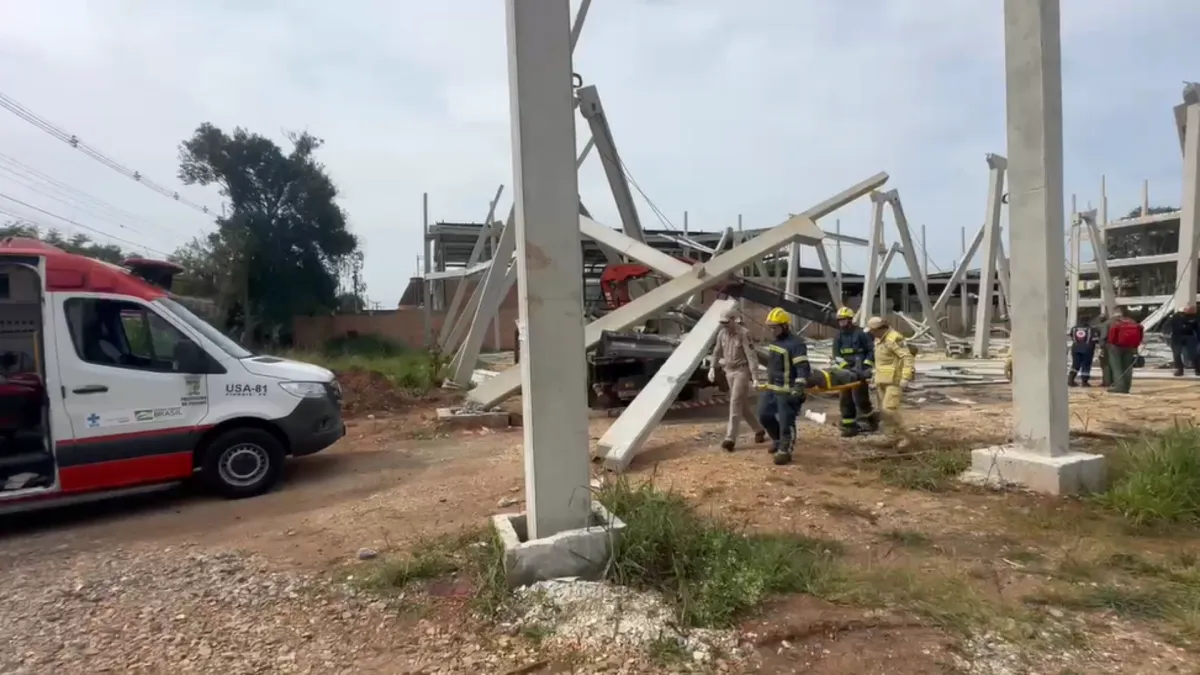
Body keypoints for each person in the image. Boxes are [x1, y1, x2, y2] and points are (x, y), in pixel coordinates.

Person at [757, 307, 810, 466]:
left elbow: (802, 367)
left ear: (785, 326)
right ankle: (778, 440)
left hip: (787, 390)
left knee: (787, 421)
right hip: (772, 388)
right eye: (771, 327)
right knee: (764, 415)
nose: (772, 330)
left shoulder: (796, 344)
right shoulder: (775, 342)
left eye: (775, 327)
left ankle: (785, 450)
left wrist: (799, 386)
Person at [708, 307, 767, 451]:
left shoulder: (744, 334)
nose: (724, 325)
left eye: (726, 322)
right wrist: (712, 367)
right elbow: (717, 350)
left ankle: (730, 438)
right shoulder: (722, 333)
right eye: (722, 323)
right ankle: (758, 429)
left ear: (734, 320)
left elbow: (751, 356)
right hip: (729, 371)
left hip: (742, 371)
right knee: (742, 405)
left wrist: (755, 377)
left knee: (735, 402)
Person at [831, 307, 878, 437]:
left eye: (843, 320)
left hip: (860, 370)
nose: (841, 323)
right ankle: (849, 425)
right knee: (845, 399)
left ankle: (870, 421)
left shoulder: (861, 334)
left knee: (860, 398)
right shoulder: (838, 336)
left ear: (850, 320)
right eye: (839, 320)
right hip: (846, 372)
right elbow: (836, 355)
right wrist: (845, 368)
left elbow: (871, 350)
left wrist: (866, 366)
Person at [865, 316, 914, 430]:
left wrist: (905, 377)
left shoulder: (893, 339)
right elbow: (881, 362)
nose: (872, 334)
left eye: (872, 331)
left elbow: (907, 358)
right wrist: (874, 377)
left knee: (889, 410)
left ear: (878, 329)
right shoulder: (879, 340)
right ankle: (891, 437)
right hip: (881, 381)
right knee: (884, 412)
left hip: (894, 381)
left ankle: (905, 435)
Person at [1105, 310, 1143, 394]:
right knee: (1128, 367)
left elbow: (1111, 337)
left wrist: (1110, 344)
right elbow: (1140, 333)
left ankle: (1119, 386)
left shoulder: (1114, 323)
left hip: (1116, 347)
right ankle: (1127, 386)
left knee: (1117, 367)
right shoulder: (1132, 322)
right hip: (1130, 347)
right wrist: (1135, 346)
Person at [1164, 304, 1200, 377]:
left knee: (1193, 353)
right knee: (1177, 353)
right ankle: (1179, 369)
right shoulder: (1176, 316)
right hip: (1177, 337)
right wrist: (1167, 333)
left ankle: (1198, 369)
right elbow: (1167, 325)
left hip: (1190, 336)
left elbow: (1198, 328)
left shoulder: (1195, 317)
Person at [1067, 318, 1100, 387]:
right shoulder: (1091, 329)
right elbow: (1095, 339)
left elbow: (1071, 337)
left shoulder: (1074, 328)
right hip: (1087, 349)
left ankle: (1070, 380)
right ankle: (1084, 382)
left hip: (1075, 348)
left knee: (1075, 365)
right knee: (1086, 365)